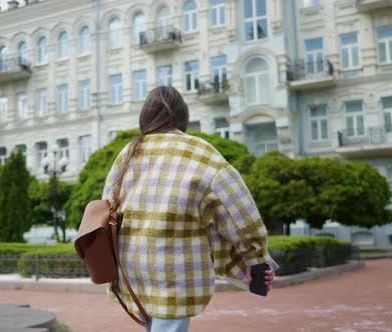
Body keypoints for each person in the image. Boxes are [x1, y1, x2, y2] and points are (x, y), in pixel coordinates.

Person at [102, 86, 279, 332]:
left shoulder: (129, 152)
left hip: (132, 270)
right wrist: (254, 258)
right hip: (177, 275)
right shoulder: (202, 153)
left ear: (145, 116)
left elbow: (107, 206)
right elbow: (238, 210)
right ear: (182, 115)